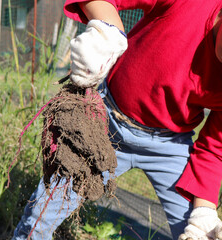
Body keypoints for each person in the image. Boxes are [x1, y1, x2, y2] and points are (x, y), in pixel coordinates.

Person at [12, 0, 222, 239]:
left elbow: (214, 149)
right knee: (39, 218)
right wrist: (106, 28)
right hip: (104, 124)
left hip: (170, 147)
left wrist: (204, 211)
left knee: (200, 232)